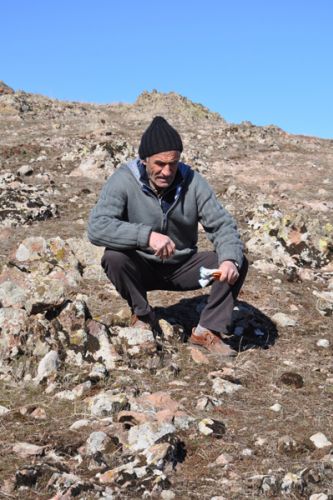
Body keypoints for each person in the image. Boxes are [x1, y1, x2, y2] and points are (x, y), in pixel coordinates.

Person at [88, 116, 248, 356]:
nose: (167, 171)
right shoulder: (124, 179)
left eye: (172, 164)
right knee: (114, 258)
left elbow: (222, 225)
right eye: (159, 164)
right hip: (141, 269)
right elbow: (97, 227)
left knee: (236, 260)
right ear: (144, 160)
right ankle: (143, 316)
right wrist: (147, 236)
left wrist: (228, 260)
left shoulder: (192, 182)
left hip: (186, 270)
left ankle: (207, 330)